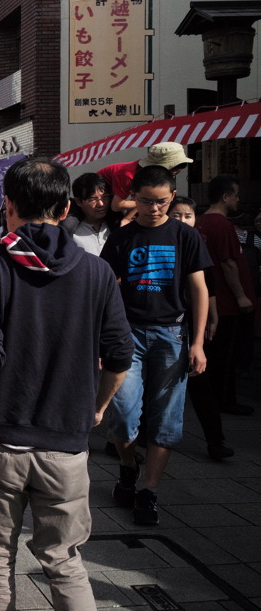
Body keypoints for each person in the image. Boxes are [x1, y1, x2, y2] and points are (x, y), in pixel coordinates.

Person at [0, 157, 132, 611]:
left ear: (7, 204)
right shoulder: (95, 272)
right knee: (64, 558)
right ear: (66, 206)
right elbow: (119, 355)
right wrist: (97, 405)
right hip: (65, 442)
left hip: (1, 438)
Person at [100, 165, 210, 526]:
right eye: (146, 201)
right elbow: (105, 290)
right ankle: (129, 465)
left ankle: (149, 489)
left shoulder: (186, 236)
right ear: (135, 198)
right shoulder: (120, 238)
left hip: (172, 335)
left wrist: (197, 343)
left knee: (166, 418)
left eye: (162, 201)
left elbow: (198, 289)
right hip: (127, 333)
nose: (154, 208)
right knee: (124, 413)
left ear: (172, 197)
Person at [168, 197, 230, 460]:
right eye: (178, 215)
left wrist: (213, 318)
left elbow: (209, 287)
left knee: (201, 383)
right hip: (167, 321)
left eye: (189, 216)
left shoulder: (197, 244)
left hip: (194, 323)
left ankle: (216, 441)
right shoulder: (161, 242)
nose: (183, 220)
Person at [196, 174, 256, 417]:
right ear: (225, 196)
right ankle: (226, 400)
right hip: (227, 303)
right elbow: (228, 263)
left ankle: (218, 398)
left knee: (219, 355)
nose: (238, 200)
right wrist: (241, 295)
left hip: (214, 302)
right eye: (236, 195)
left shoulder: (202, 221)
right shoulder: (221, 224)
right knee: (227, 356)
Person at [97, 141, 193, 223]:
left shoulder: (146, 178)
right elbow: (117, 205)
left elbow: (139, 200)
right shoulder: (127, 175)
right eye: (172, 173)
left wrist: (128, 217)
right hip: (101, 204)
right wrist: (146, 202)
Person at [61, 172, 114, 255]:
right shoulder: (71, 232)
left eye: (105, 197)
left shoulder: (115, 225)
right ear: (78, 201)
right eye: (93, 199)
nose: (101, 204)